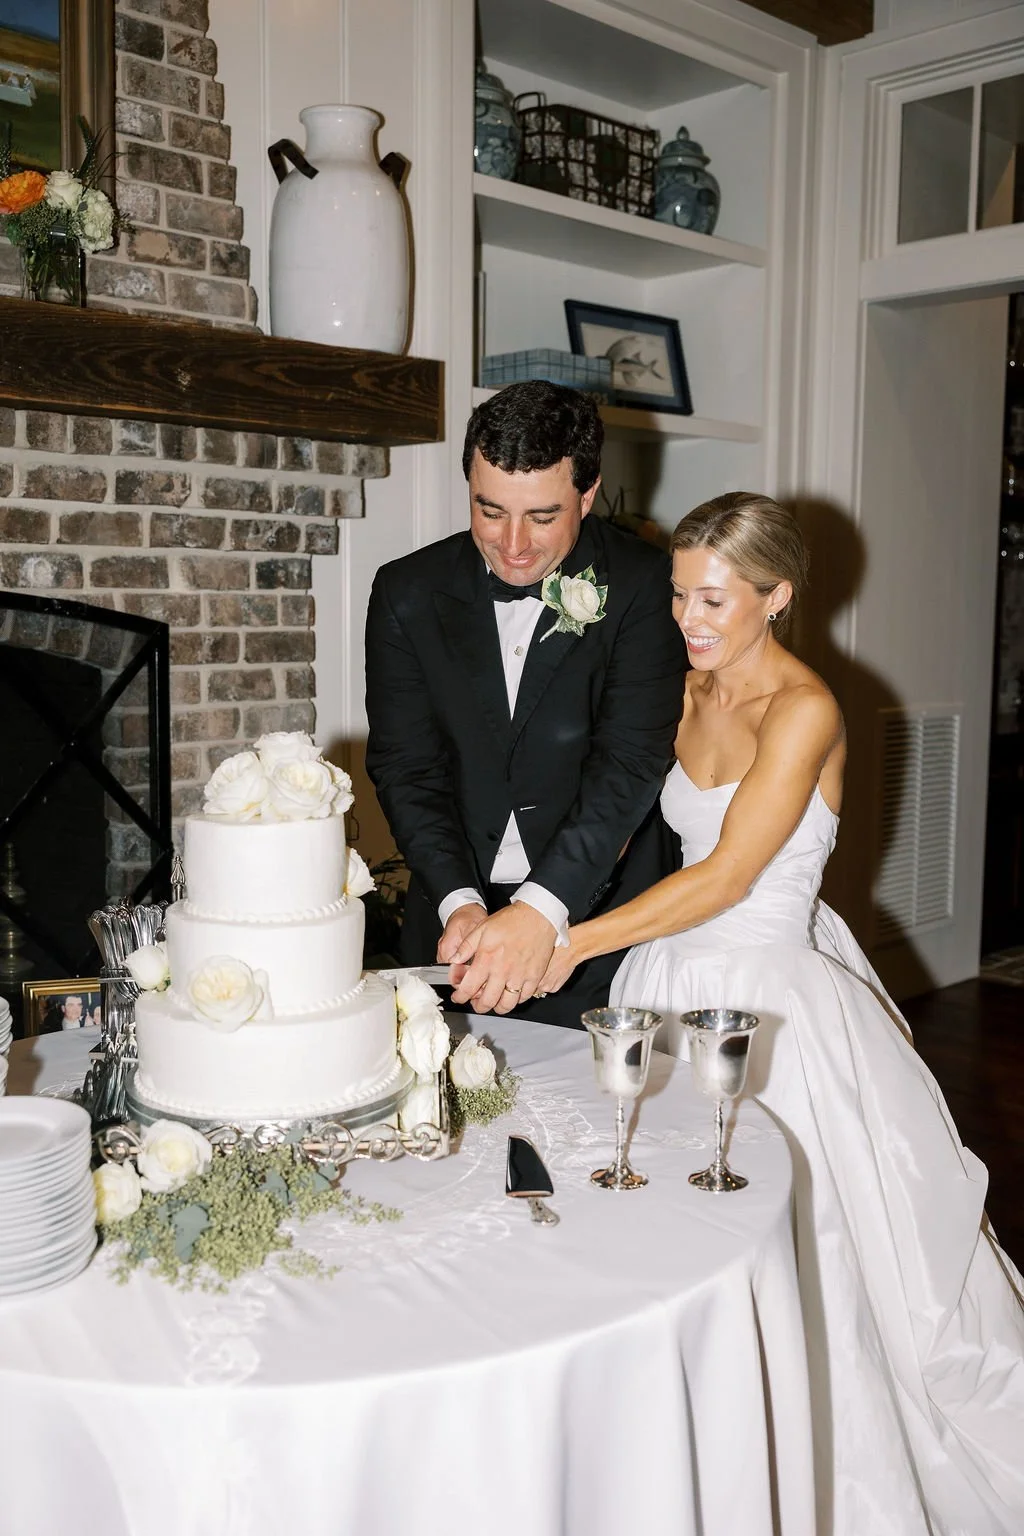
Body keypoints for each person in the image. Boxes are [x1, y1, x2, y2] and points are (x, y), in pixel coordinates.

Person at [529, 492, 1024, 1534]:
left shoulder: (805, 710)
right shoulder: (683, 684)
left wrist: (566, 942)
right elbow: (626, 819)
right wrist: (532, 897)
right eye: (677, 595)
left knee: (813, 1251)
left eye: (714, 599)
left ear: (777, 596)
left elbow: (725, 878)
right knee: (659, 1226)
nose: (690, 619)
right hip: (664, 984)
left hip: (765, 1002)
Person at [364, 380, 687, 1028]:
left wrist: (542, 910)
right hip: (457, 935)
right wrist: (460, 904)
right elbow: (407, 766)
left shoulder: (646, 585)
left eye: (542, 517)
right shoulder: (406, 591)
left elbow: (628, 765)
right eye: (490, 511)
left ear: (587, 495)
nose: (513, 543)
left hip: (602, 932)